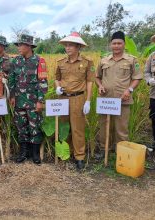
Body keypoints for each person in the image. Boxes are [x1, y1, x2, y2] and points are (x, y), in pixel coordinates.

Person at [95, 31, 143, 157]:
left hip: (123, 100)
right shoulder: (104, 60)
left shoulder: (132, 60)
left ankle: (121, 153)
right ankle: (104, 150)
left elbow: (137, 78)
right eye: (114, 43)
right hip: (106, 99)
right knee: (104, 126)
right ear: (111, 44)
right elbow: (97, 77)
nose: (116, 46)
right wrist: (99, 86)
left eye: (119, 43)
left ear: (124, 44)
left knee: (121, 128)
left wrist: (129, 90)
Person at [55, 32, 95, 170]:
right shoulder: (60, 62)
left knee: (78, 129)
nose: (68, 48)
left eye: (71, 45)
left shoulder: (87, 62)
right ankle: (65, 154)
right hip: (63, 98)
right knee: (64, 127)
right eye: (66, 45)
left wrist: (88, 101)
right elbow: (57, 78)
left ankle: (79, 157)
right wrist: (58, 87)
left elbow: (90, 82)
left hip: (78, 98)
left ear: (78, 47)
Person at [9, 34, 48, 165]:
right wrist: (12, 96)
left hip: (33, 101)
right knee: (21, 127)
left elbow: (42, 82)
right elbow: (12, 79)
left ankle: (35, 154)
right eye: (18, 45)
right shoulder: (16, 61)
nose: (19, 47)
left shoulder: (39, 61)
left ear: (29, 46)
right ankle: (23, 153)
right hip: (19, 101)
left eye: (21, 45)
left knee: (35, 126)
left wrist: (40, 101)